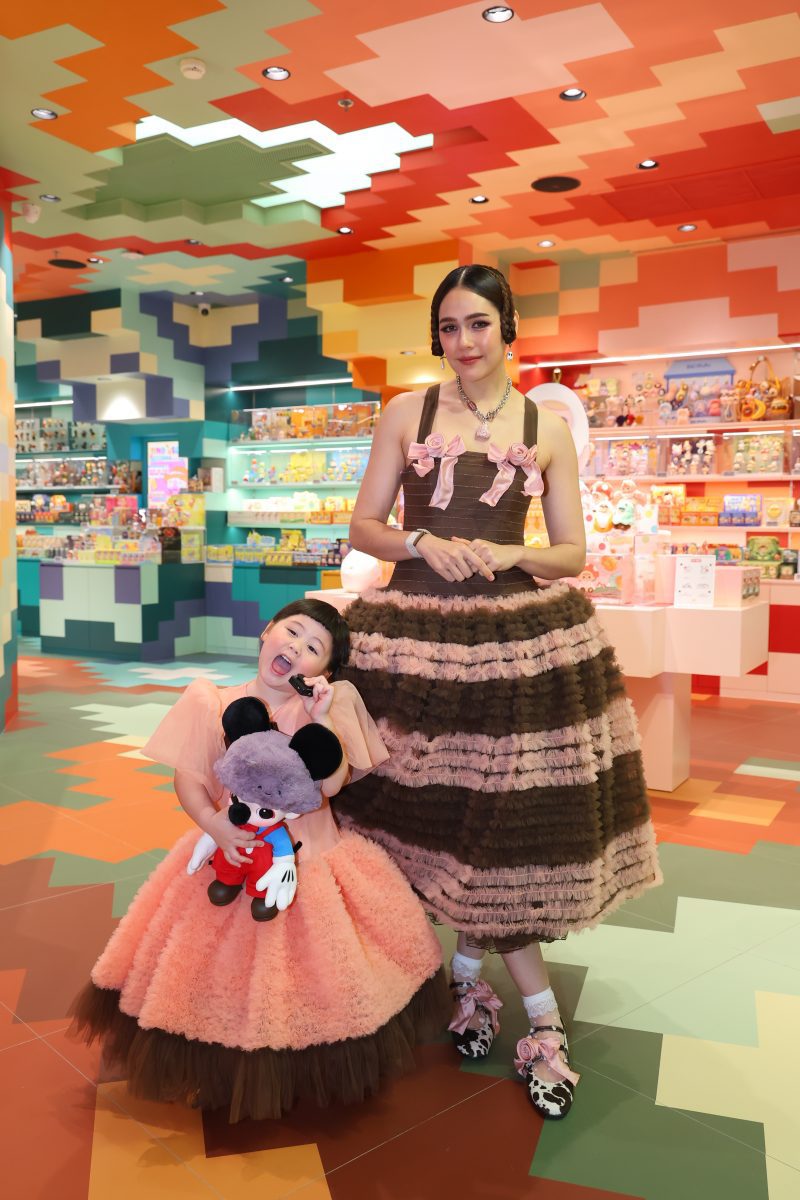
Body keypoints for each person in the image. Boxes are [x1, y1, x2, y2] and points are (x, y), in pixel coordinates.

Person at [334, 264, 661, 1121]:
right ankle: (462, 979)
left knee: (501, 826)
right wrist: (417, 542)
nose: (464, 341)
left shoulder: (544, 427)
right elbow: (363, 525)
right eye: (448, 327)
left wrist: (517, 554)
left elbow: (571, 551)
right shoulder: (405, 413)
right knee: (415, 818)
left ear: (508, 327)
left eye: (478, 323)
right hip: (412, 641)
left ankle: (525, 1010)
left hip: (516, 649)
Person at [71, 598, 448, 1122]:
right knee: (213, 971)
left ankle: (305, 1060)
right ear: (267, 631)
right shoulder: (214, 702)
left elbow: (330, 787)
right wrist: (213, 825)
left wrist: (320, 721)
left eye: (314, 648)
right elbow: (189, 778)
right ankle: (215, 1061)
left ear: (323, 672)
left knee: (309, 974)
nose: (296, 646)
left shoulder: (328, 708)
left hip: (308, 861)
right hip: (234, 852)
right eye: (292, 631)